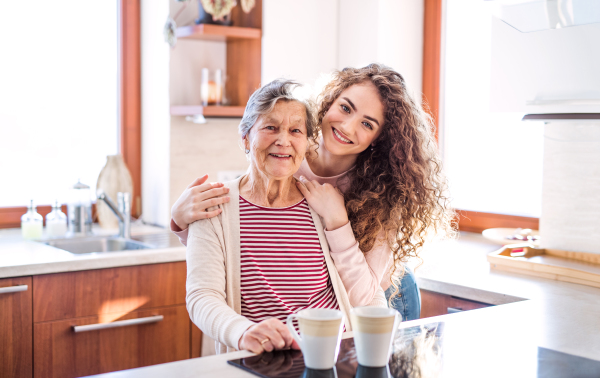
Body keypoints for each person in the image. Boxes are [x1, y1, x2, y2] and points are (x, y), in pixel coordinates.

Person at [177, 64, 456, 322]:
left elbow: (365, 296)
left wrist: (338, 222)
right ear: (329, 101)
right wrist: (179, 221)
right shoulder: (288, 152)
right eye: (345, 108)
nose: (347, 126)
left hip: (388, 294)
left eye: (367, 124)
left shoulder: (383, 193)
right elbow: (239, 241)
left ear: (378, 140)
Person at [186, 79, 379, 356]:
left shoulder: (325, 204)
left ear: (306, 144)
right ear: (245, 138)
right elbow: (202, 296)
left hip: (331, 357)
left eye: (295, 130)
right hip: (259, 360)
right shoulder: (214, 206)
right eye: (270, 127)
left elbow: (367, 294)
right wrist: (243, 332)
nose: (283, 140)